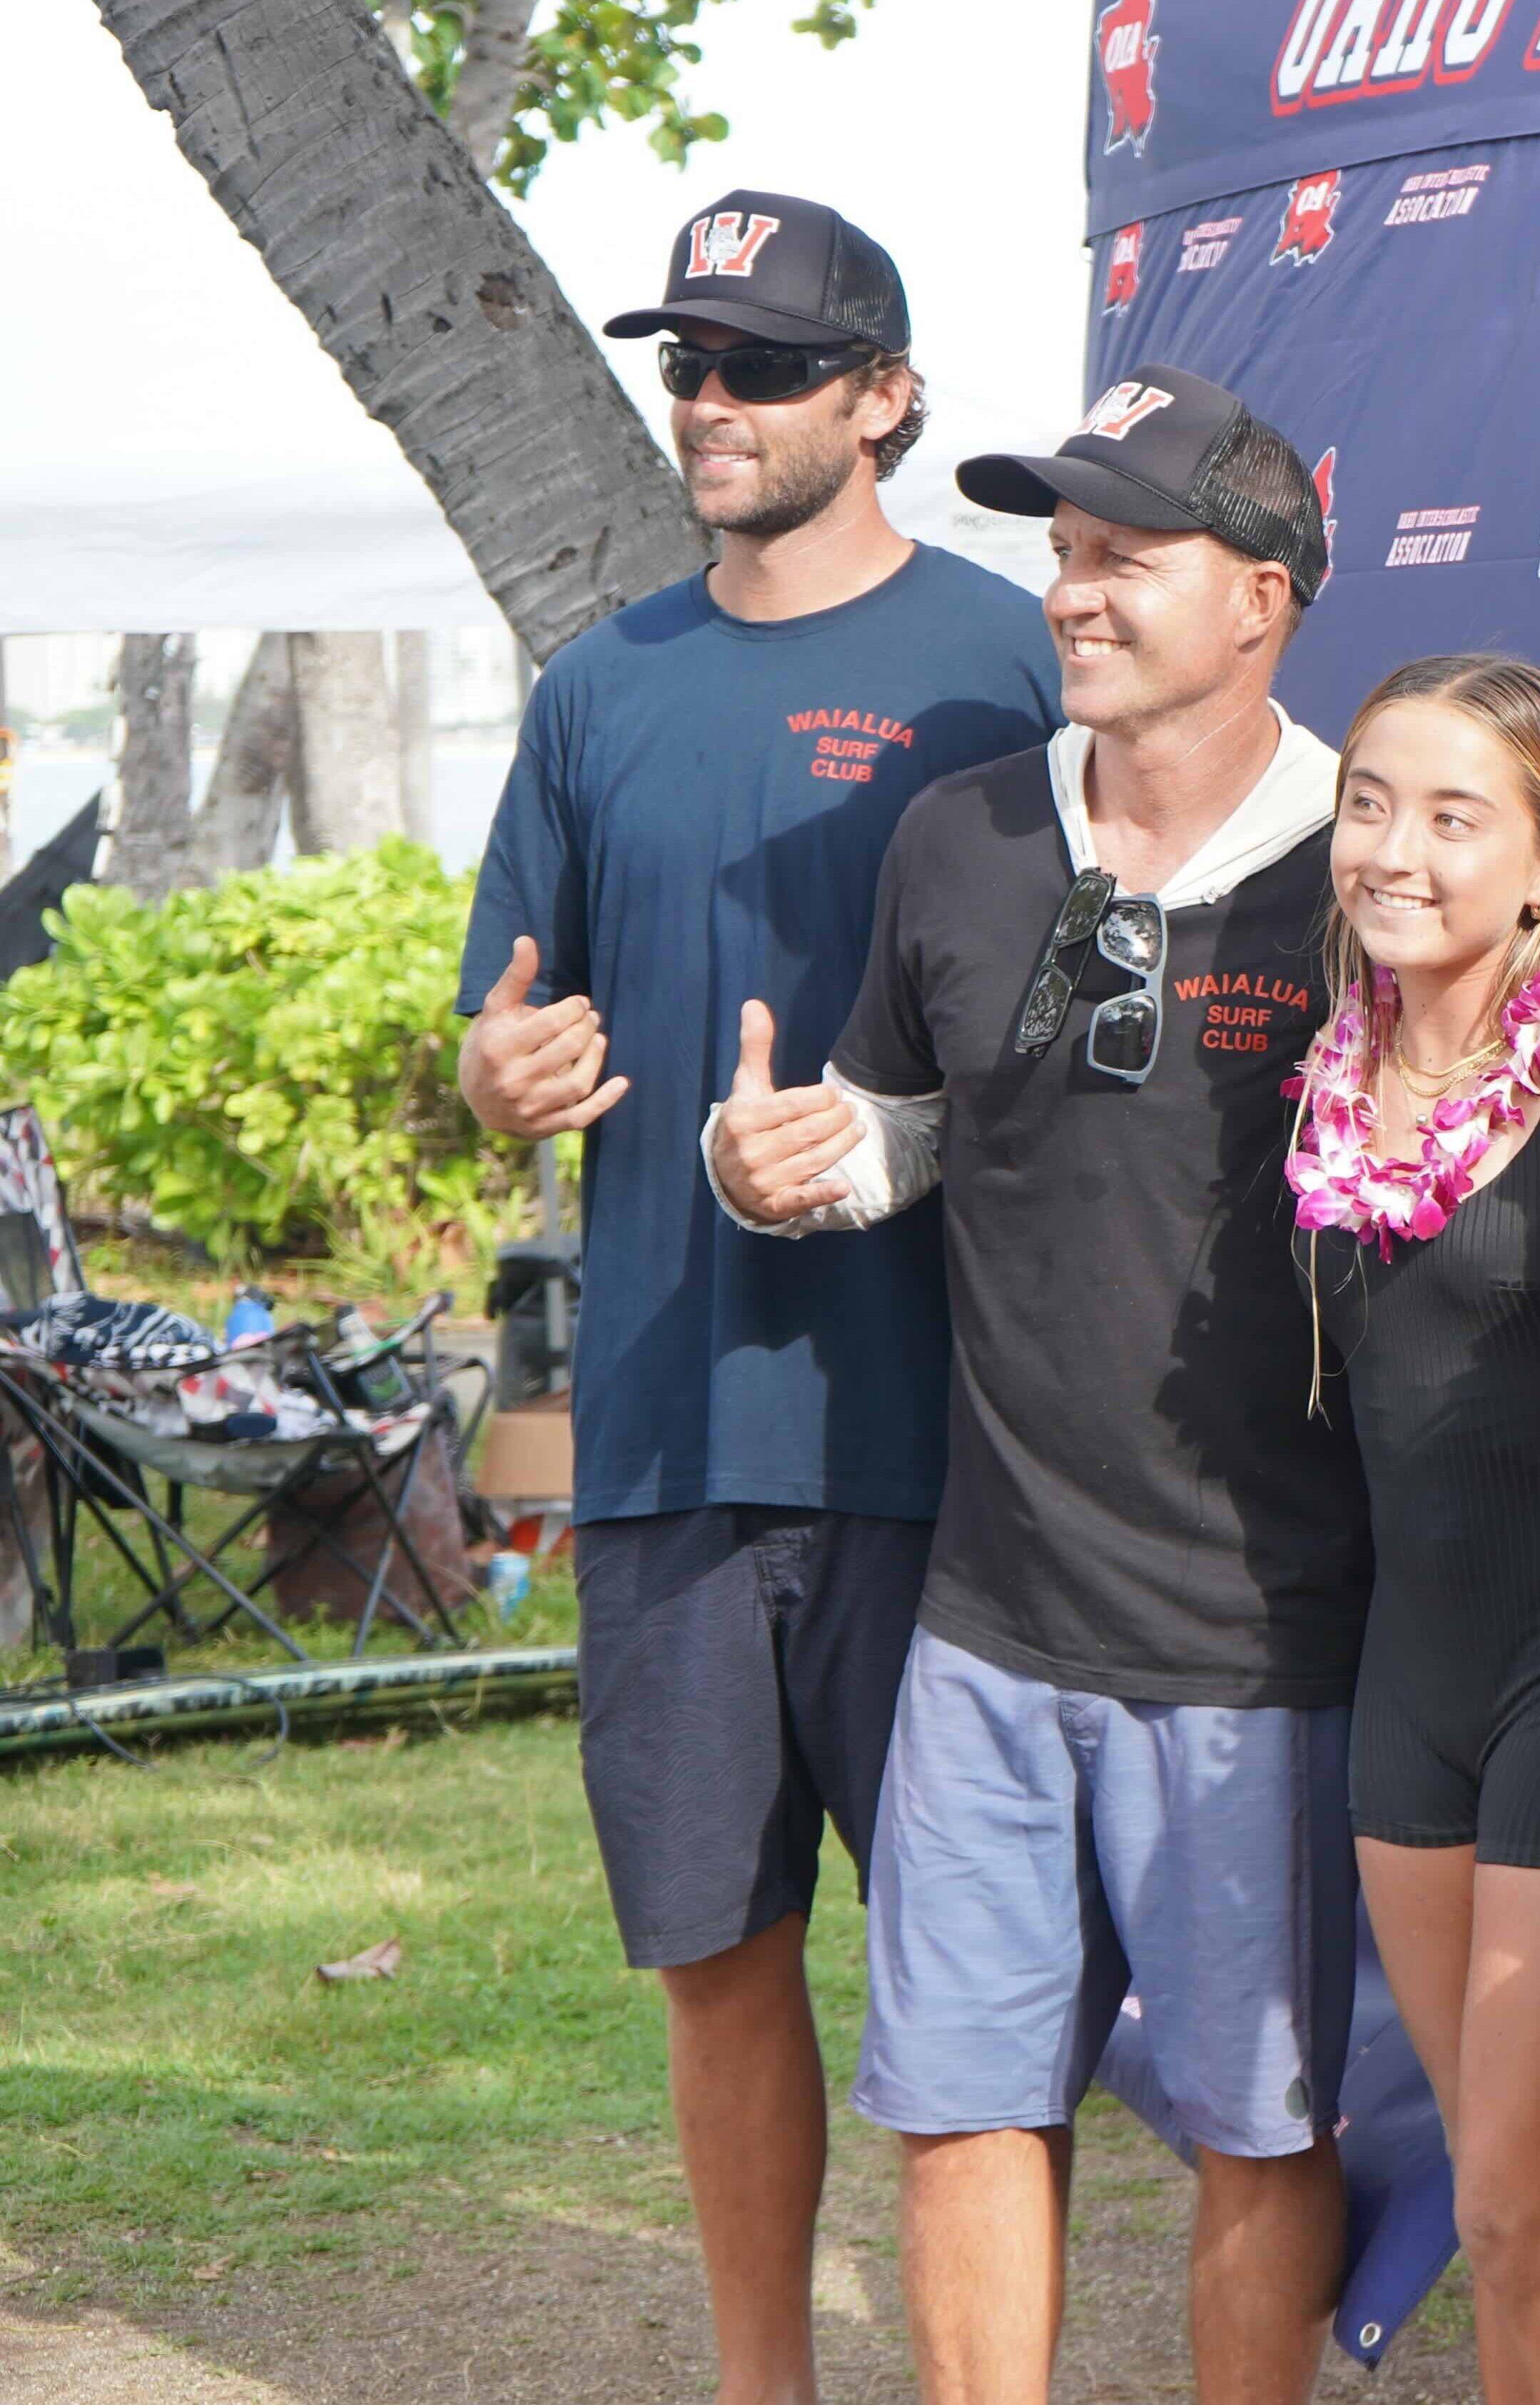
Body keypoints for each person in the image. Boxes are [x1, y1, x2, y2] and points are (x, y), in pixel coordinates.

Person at [699, 365, 1540, 2405]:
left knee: (1257, 2130)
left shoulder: (1380, 873)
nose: (1074, 595)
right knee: (961, 2102)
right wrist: (793, 1161)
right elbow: (904, 1125)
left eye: (1126, 558)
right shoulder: (963, 832)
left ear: (1264, 596)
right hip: (990, 1615)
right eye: (1065, 555)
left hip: (1272, 1632)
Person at [452, 188, 1054, 2405]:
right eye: (685, 362)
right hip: (677, 1420)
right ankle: (758, 2384)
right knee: (720, 1959)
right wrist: (497, 1075)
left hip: (956, 1433)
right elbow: (507, 1032)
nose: (709, 400)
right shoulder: (598, 686)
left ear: (884, 400)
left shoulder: (1011, 663)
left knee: (970, 1989)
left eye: (763, 366)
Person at [1284, 655, 1540, 2405]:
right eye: (1370, 800)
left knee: (1532, 2210)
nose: (1395, 849)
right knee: (1486, 2197)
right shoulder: (1331, 1066)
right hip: (1410, 1689)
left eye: (1455, 817)